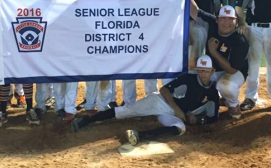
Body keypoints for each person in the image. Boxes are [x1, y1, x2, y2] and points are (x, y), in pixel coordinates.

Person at [71, 55, 219, 147]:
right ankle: (87, 120)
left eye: (206, 71)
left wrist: (198, 120)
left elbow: (213, 117)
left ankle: (140, 135)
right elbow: (164, 90)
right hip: (162, 102)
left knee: (180, 128)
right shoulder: (189, 79)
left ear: (212, 71)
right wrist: (176, 108)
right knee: (127, 111)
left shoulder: (212, 93)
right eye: (200, 70)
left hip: (172, 115)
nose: (203, 74)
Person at [185, 0, 249, 120]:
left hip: (236, 72)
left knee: (225, 85)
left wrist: (213, 52)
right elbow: (195, 10)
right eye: (223, 19)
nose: (226, 23)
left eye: (230, 19)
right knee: (193, 76)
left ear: (236, 21)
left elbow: (232, 70)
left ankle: (233, 104)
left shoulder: (240, 40)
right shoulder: (212, 24)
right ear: (217, 20)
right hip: (214, 70)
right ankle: (212, 98)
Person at [94, 0, 140, 109]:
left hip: (128, 32)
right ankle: (105, 104)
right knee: (107, 70)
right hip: (106, 32)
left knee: (128, 69)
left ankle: (130, 104)